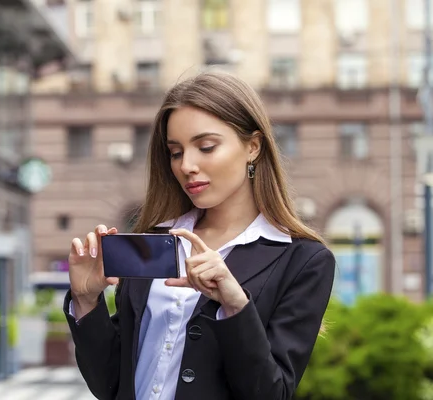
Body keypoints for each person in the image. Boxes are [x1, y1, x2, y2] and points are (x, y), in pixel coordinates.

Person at [63, 71, 336, 400]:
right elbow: (110, 384)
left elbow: (271, 393)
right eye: (176, 152)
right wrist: (86, 300)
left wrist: (235, 306)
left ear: (253, 146)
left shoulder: (303, 259)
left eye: (206, 147)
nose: (186, 165)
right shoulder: (154, 241)